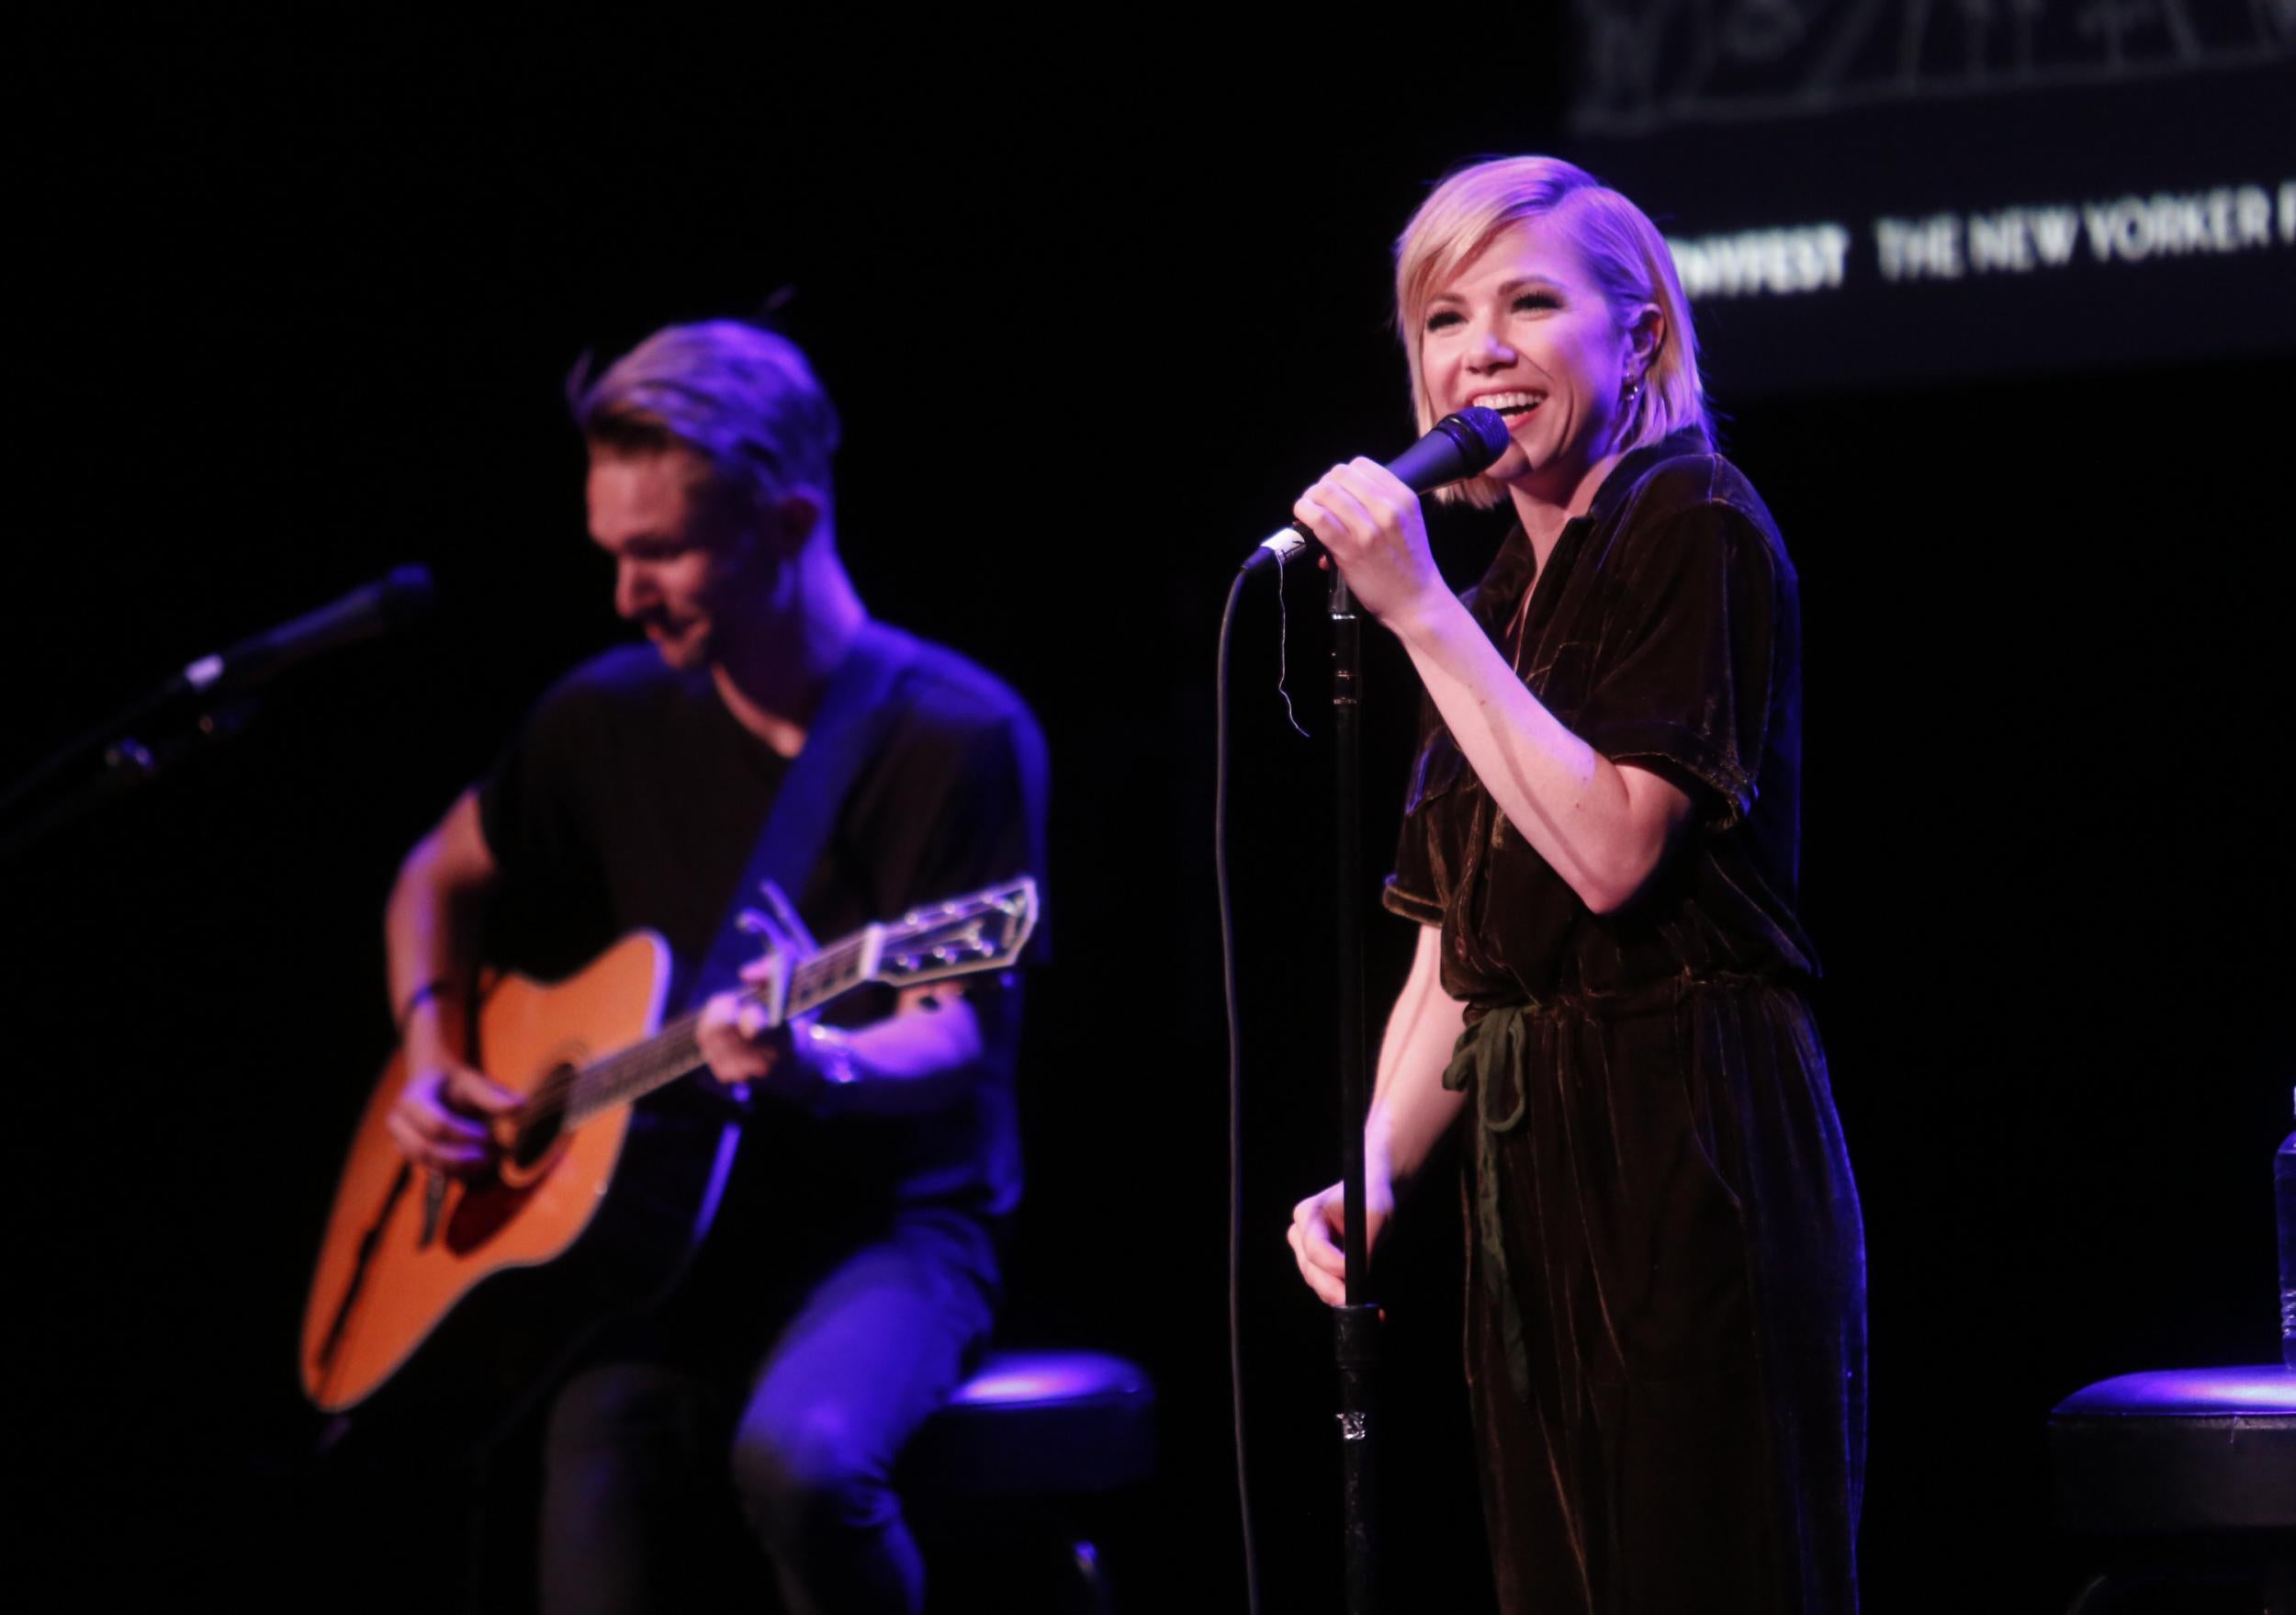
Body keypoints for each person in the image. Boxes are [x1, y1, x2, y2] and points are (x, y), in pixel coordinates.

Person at [381, 319, 1048, 1615]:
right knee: (572, 1453)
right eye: (613, 553)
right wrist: (430, 1045)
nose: (627, 593)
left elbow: (957, 1024)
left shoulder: (956, 735)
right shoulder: (604, 714)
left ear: (788, 522)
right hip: (675, 1254)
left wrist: (822, 1058)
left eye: (664, 552)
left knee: (799, 1465)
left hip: (894, 1232)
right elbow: (434, 875)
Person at [1285, 157, 1865, 1613]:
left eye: (1530, 302)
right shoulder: (1489, 607)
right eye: (1443, 317)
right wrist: (1372, 1163)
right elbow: (1453, 949)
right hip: (1527, 1158)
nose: (1478, 347)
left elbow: (1611, 851)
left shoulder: (1696, 519)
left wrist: (1410, 607)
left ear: (1640, 336)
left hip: (1695, 1126)